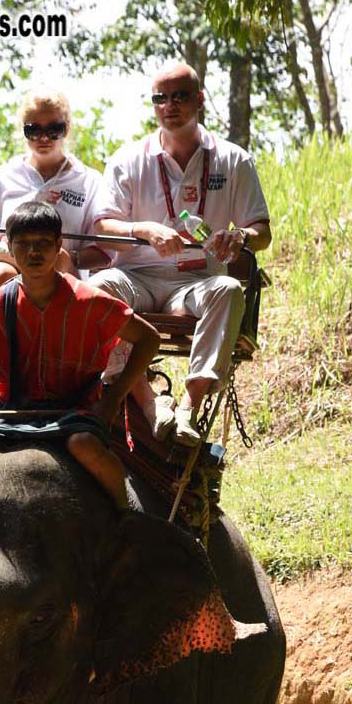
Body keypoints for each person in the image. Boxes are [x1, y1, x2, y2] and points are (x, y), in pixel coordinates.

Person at [0, 202, 160, 511]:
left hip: (73, 413)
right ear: (9, 245)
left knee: (84, 445)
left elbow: (148, 338)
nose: (34, 253)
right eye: (24, 244)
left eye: (44, 244)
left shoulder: (91, 301)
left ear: (59, 246)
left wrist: (113, 399)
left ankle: (124, 516)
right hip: (7, 412)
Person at [91, 61, 271, 446]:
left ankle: (188, 406)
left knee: (228, 289)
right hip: (136, 277)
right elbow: (103, 227)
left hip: (196, 281)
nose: (169, 105)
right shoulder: (128, 159)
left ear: (200, 100)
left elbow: (263, 233)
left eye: (180, 97)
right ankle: (146, 398)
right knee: (101, 285)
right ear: (153, 105)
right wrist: (143, 229)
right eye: (160, 98)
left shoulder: (233, 159)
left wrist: (239, 237)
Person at [0, 89, 110, 312]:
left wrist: (61, 255)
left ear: (67, 129)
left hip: (60, 270)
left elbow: (103, 253)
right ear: (23, 131)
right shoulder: (3, 177)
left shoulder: (88, 181)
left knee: (58, 261)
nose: (43, 138)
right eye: (33, 130)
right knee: (0, 273)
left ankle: (69, 340)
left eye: (54, 129)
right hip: (8, 264)